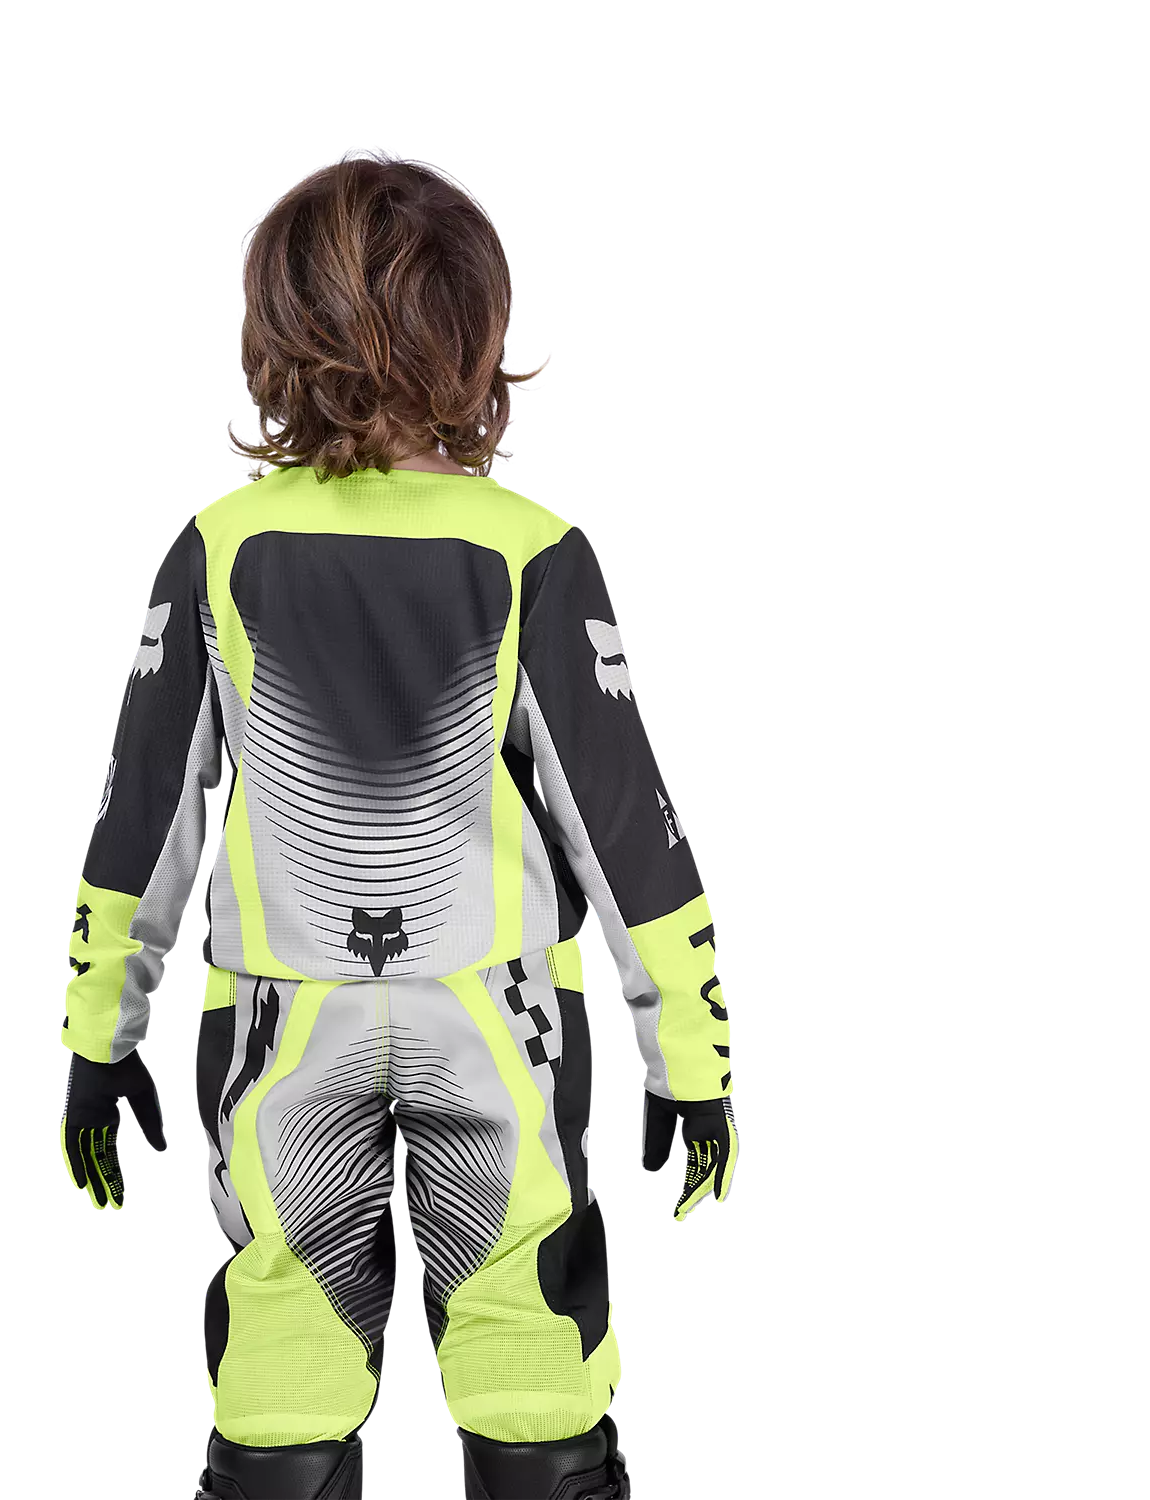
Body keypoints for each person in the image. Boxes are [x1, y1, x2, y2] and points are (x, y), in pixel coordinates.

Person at [57, 145, 737, 1500]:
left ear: (273, 333)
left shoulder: (217, 547)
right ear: (481, 339)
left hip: (279, 1024)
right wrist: (694, 1051)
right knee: (529, 1342)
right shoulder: (534, 550)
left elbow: (143, 817)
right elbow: (626, 829)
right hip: (498, 1021)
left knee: (284, 1352)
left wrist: (96, 1033)